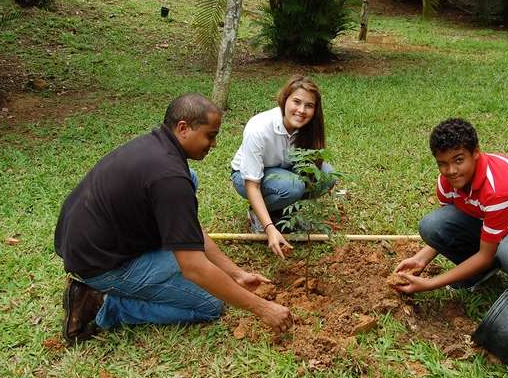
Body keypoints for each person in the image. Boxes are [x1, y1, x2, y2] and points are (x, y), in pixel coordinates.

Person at [55, 93, 293, 344]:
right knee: (208, 304)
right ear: (183, 128)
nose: (214, 144)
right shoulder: (169, 180)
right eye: (210, 135)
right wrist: (262, 308)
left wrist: (235, 273)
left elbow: (188, 228)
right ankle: (98, 301)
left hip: (89, 238)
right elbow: (194, 267)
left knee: (190, 178)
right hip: (101, 263)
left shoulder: (157, 145)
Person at [389, 118, 508, 325]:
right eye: (442, 163)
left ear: (475, 152)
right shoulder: (447, 183)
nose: (451, 171)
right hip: (491, 219)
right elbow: (451, 228)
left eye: (458, 160)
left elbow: (485, 254)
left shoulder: (499, 188)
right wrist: (421, 259)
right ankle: (482, 272)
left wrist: (431, 283)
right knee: (432, 225)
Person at [231, 75, 336, 258]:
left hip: (283, 172)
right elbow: (253, 184)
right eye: (296, 102)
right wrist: (270, 229)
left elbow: (311, 168)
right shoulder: (259, 128)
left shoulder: (308, 128)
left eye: (309, 106)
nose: (301, 110)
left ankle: (287, 217)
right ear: (284, 99)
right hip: (245, 177)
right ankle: (258, 216)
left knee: (327, 175)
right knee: (293, 186)